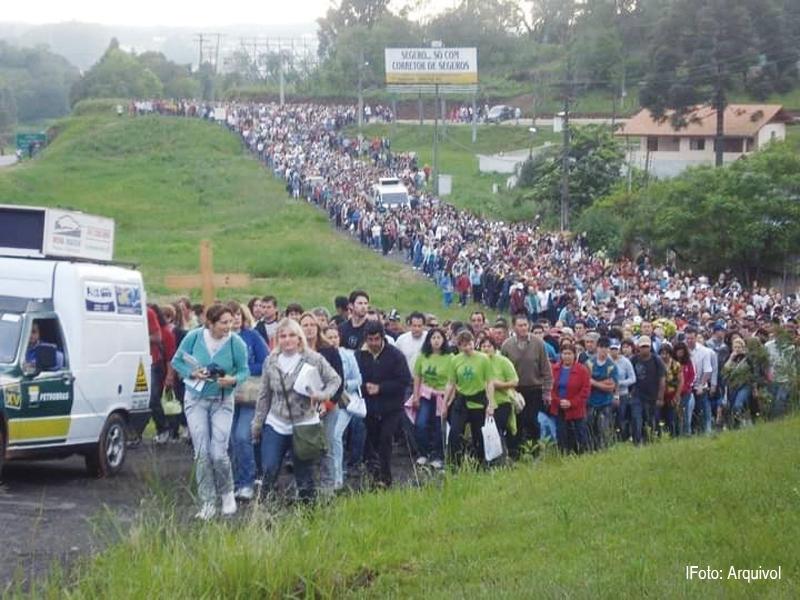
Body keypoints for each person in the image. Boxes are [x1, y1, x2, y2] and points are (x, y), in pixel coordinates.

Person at [171, 304, 249, 520]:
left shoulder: (236, 343)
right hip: (195, 400)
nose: (229, 326)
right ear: (211, 323)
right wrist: (192, 373)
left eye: (231, 321)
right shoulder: (194, 337)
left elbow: (244, 370)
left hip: (222, 401)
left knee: (218, 452)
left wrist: (233, 379)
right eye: (224, 322)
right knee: (202, 452)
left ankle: (227, 494)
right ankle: (207, 502)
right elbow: (176, 361)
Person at [251, 318, 342, 503]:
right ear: (278, 339)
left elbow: (335, 380)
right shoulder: (271, 361)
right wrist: (258, 423)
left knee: (304, 474)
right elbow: (264, 394)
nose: (287, 339)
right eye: (283, 336)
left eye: (292, 335)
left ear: (299, 338)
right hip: (276, 422)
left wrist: (323, 395)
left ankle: (308, 513)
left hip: (304, 424)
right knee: (269, 467)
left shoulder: (314, 358)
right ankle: (264, 511)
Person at [356, 320, 412, 487]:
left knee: (386, 439)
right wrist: (364, 388)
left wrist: (381, 388)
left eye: (376, 339)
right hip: (369, 407)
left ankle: (386, 478)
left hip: (391, 407)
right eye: (370, 339)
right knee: (372, 439)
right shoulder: (359, 356)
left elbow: (404, 381)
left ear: (382, 338)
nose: (373, 343)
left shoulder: (395, 355)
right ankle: (374, 472)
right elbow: (353, 380)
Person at [299, 312, 344, 495]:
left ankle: (327, 487)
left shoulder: (329, 351)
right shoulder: (296, 351)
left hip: (328, 404)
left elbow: (339, 381)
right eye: (305, 325)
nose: (308, 328)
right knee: (304, 449)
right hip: (303, 407)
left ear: (317, 328)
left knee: (327, 447)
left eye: (312, 324)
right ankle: (305, 487)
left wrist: (328, 404)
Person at [228, 301, 269, 501]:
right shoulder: (219, 338)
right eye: (231, 315)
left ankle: (246, 482)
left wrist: (243, 371)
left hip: (249, 396)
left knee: (243, 436)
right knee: (228, 440)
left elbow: (266, 362)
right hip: (224, 395)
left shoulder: (252, 336)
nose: (235, 318)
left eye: (238, 314)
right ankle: (233, 482)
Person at [500, 314, 552, 453]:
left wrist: (547, 392)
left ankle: (535, 451)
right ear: (514, 327)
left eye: (525, 325)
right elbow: (501, 370)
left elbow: (546, 369)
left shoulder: (538, 343)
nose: (523, 328)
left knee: (532, 421)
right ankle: (515, 452)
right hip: (515, 390)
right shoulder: (507, 345)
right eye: (520, 325)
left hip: (534, 389)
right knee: (516, 422)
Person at [444, 329, 495, 464]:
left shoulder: (483, 359)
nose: (467, 347)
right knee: (455, 433)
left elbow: (489, 382)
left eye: (470, 343)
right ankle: (454, 462)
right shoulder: (455, 360)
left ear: (474, 342)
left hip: (478, 401)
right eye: (463, 345)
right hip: (461, 401)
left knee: (479, 434)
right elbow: (450, 383)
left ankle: (481, 462)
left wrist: (491, 403)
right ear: (459, 346)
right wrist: (445, 404)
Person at [323, 325, 362, 491]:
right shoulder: (321, 355)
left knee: (336, 436)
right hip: (325, 400)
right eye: (329, 337)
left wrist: (344, 384)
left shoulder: (348, 355)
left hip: (344, 400)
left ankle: (338, 477)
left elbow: (359, 379)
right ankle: (328, 475)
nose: (333, 340)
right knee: (327, 439)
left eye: (335, 337)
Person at [410, 327, 452, 469]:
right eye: (433, 338)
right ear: (428, 340)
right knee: (420, 424)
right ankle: (423, 453)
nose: (436, 341)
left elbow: (452, 381)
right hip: (425, 394)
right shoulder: (423, 356)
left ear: (444, 340)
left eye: (439, 338)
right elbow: (417, 376)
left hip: (442, 396)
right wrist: (416, 395)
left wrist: (448, 400)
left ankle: (438, 455)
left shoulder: (450, 358)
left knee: (439, 426)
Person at [477, 334, 518, 459]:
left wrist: (497, 384)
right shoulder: (477, 362)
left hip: (501, 402)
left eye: (489, 346)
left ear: (494, 348)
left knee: (497, 431)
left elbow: (514, 381)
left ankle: (501, 458)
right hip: (480, 403)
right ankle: (485, 459)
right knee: (482, 432)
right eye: (483, 346)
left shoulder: (503, 361)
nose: (486, 348)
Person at [549, 341, 590, 454]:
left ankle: (583, 454)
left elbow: (585, 390)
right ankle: (564, 454)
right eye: (564, 353)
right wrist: (558, 401)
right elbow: (550, 388)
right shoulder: (554, 369)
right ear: (560, 355)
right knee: (562, 434)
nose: (567, 356)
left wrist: (571, 402)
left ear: (574, 355)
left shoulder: (582, 370)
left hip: (576, 408)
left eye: (569, 354)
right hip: (559, 407)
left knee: (580, 433)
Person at [631, 335, 666, 444]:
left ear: (650, 347)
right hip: (638, 395)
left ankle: (653, 440)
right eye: (642, 347)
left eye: (646, 346)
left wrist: (660, 397)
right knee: (637, 419)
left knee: (652, 419)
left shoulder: (657, 360)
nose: (644, 349)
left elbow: (662, 379)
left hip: (653, 396)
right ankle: (637, 442)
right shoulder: (634, 360)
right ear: (638, 347)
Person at [585, 336, 618, 450]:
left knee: (604, 429)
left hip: (605, 402)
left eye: (605, 347)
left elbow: (611, 387)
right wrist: (603, 383)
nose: (603, 350)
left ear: (608, 349)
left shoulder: (611, 366)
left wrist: (594, 382)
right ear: (597, 348)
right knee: (590, 428)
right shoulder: (589, 363)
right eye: (601, 347)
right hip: (591, 402)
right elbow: (586, 382)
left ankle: (605, 450)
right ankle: (591, 450)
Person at [657, 342, 682, 437]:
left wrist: (677, 396)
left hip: (672, 395)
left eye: (665, 353)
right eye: (662, 353)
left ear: (670, 354)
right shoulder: (657, 364)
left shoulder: (676, 365)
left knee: (672, 418)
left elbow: (680, 381)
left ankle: (675, 436)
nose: (663, 356)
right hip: (660, 396)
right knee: (659, 417)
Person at [673, 341, 696, 436]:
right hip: (674, 392)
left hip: (686, 392)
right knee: (676, 413)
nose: (680, 353)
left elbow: (692, 375)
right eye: (678, 351)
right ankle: (677, 433)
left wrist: (686, 386)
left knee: (685, 411)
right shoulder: (672, 363)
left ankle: (687, 432)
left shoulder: (688, 362)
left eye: (681, 351)